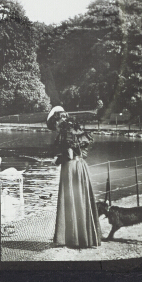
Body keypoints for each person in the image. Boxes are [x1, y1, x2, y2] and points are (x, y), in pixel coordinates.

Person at [47, 105, 101, 248]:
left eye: (55, 124)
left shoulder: (65, 132)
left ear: (58, 120)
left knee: (70, 199)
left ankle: (71, 239)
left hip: (71, 168)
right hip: (82, 167)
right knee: (81, 200)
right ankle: (86, 238)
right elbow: (82, 152)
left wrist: (57, 161)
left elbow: (69, 155)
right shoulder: (77, 129)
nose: (56, 128)